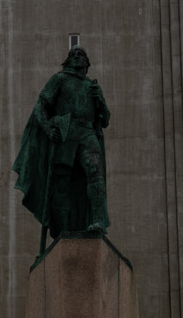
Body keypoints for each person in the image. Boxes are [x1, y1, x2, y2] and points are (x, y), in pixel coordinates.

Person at [13, 46, 111, 242]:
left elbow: (106, 120)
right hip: (66, 133)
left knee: (94, 170)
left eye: (81, 54)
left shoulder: (92, 86)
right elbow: (40, 106)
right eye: (73, 55)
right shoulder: (60, 79)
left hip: (87, 133)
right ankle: (62, 231)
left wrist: (101, 101)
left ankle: (98, 220)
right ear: (67, 62)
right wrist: (49, 128)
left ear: (87, 63)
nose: (76, 56)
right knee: (61, 184)